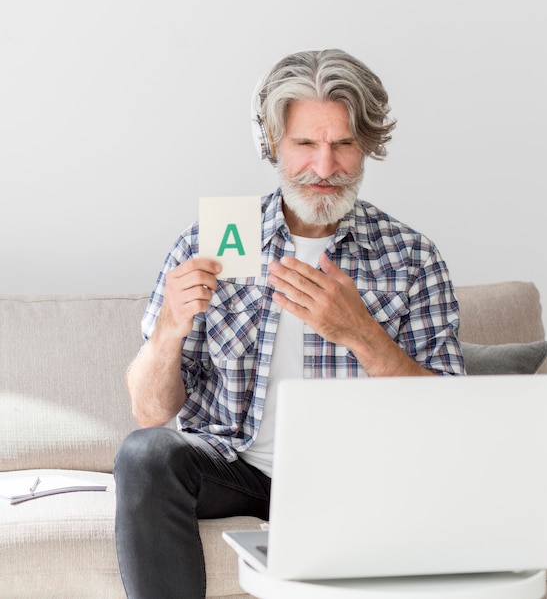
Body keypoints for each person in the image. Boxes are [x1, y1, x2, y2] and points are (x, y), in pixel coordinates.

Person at [114, 48, 465, 598]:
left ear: (366, 146)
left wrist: (361, 335)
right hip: (234, 465)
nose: (324, 169)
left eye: (343, 145)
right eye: (305, 144)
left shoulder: (412, 257)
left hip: (355, 476)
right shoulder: (209, 241)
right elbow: (150, 411)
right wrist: (168, 329)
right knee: (144, 453)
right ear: (273, 145)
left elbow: (452, 422)